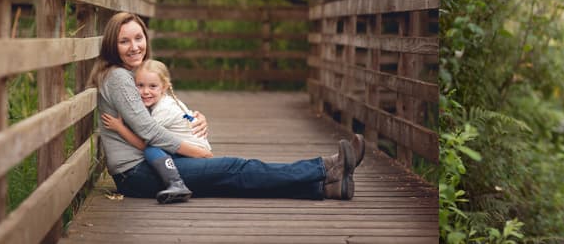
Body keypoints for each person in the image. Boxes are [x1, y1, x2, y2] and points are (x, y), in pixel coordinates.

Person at [89, 12, 366, 202]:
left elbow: (156, 110)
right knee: (235, 168)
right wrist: (195, 151)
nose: (134, 46)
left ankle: (326, 187)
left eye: (139, 38)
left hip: (149, 167)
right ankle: (325, 168)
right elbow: (148, 130)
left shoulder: (125, 75)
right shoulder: (119, 77)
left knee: (232, 176)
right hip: (137, 174)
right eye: (124, 41)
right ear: (112, 44)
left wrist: (195, 117)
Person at [101, 59, 214, 204]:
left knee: (151, 149)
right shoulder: (166, 102)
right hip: (193, 149)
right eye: (140, 86)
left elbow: (143, 143)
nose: (145, 92)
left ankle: (176, 183)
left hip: (195, 153)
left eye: (152, 86)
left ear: (164, 87)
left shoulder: (163, 110)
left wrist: (120, 128)